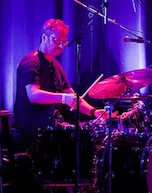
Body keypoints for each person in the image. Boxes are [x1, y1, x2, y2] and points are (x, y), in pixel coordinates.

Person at [13, 18, 109, 152]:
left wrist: (94, 112)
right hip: (33, 123)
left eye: (64, 42)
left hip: (51, 121)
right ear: (44, 37)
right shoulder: (31, 62)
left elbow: (73, 98)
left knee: (87, 132)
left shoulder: (57, 66)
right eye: (57, 41)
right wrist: (63, 98)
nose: (61, 46)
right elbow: (33, 95)